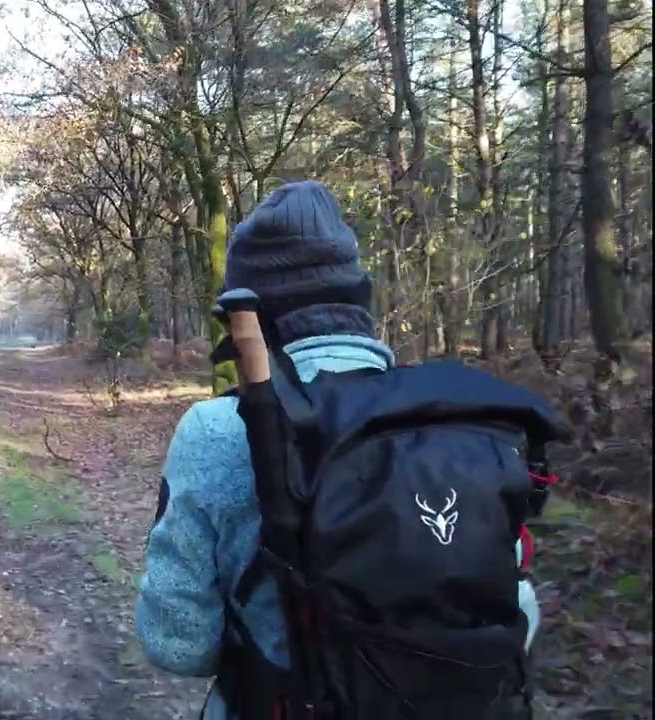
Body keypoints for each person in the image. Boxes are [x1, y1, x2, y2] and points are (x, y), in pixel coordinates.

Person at [134, 180, 542, 719]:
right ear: (359, 300)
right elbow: (520, 614)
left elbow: (177, 645)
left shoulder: (217, 429)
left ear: (244, 321)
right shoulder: (457, 422)